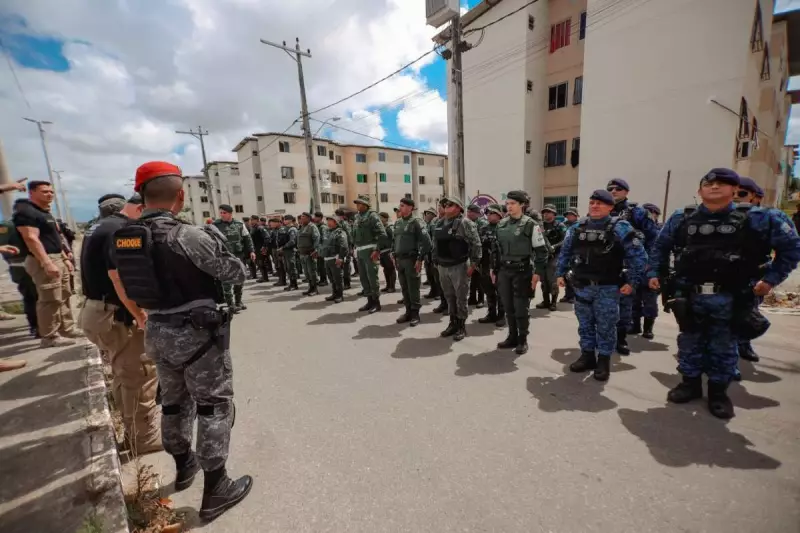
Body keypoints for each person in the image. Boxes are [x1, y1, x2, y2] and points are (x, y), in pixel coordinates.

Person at [112, 161, 252, 521]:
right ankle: (216, 487)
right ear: (180, 195)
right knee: (213, 407)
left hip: (156, 330)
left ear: (141, 196)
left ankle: (183, 464)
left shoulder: (127, 236)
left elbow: (126, 283)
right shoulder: (188, 235)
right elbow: (236, 272)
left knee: (173, 404)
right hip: (196, 335)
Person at [648, 168, 800, 418]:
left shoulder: (760, 218)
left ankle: (718, 393)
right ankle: (690, 384)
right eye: (708, 183)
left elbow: (792, 248)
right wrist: (655, 273)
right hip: (689, 295)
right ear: (700, 191)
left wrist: (770, 279)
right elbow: (660, 247)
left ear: (735, 190)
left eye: (722, 183)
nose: (714, 187)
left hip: (732, 296)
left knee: (724, 345)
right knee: (688, 341)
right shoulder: (682, 218)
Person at [79, 192, 162, 454]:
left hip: (98, 311)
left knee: (123, 373)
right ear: (140, 208)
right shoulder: (122, 230)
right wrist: (139, 314)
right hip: (116, 315)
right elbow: (117, 278)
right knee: (141, 373)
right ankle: (144, 439)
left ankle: (131, 430)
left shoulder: (100, 226)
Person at [556, 190, 647, 380]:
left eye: (600, 203)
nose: (595, 206)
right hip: (582, 286)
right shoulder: (577, 227)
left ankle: (604, 360)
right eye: (592, 203)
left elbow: (638, 257)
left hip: (608, 287)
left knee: (606, 325)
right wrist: (560, 273)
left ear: (610, 207)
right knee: (585, 324)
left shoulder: (620, 227)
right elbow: (565, 251)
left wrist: (632, 282)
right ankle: (587, 356)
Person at [13, 180, 82, 347]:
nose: (49, 194)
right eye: (44, 191)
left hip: (58, 257)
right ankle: (50, 337)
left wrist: (65, 258)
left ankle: (67, 328)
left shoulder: (45, 213)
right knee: (49, 299)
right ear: (32, 193)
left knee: (64, 295)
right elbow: (31, 238)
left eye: (51, 191)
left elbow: (56, 238)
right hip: (43, 259)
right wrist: (46, 262)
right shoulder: (26, 212)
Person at [606, 178, 659, 355]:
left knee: (626, 304)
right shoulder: (602, 210)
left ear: (626, 192)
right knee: (603, 306)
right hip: (605, 266)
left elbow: (653, 239)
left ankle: (621, 339)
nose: (613, 191)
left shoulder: (637, 212)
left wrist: (647, 264)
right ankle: (603, 339)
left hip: (628, 266)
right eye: (610, 189)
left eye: (618, 189)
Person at [493, 191, 549, 354]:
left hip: (523, 271)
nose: (509, 206)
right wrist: (494, 269)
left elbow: (541, 251)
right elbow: (496, 250)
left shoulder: (530, 224)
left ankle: (522, 339)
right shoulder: (501, 224)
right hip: (505, 270)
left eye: (513, 203)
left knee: (521, 308)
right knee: (508, 306)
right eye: (508, 203)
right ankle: (512, 336)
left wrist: (537, 273)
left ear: (522, 205)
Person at [434, 197, 481, 341]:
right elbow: (435, 244)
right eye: (445, 204)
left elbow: (476, 244)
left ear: (459, 208)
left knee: (461, 298)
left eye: (450, 204)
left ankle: (461, 326)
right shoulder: (439, 222)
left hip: (459, 266)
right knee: (449, 297)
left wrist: (473, 265)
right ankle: (452, 323)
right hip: (443, 266)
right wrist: (435, 261)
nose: (446, 206)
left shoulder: (465, 223)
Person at [1, 200, 38, 337]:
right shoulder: (8, 226)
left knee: (42, 297)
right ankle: (35, 326)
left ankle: (43, 325)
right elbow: (4, 248)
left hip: (37, 264)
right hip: (21, 266)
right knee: (31, 297)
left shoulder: (34, 222)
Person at [393, 198, 432, 326]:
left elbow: (427, 243)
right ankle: (408, 312)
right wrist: (394, 255)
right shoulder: (398, 223)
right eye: (400, 205)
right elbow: (395, 241)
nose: (400, 207)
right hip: (400, 260)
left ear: (410, 208)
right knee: (404, 287)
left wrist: (420, 258)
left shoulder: (416, 222)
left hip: (411, 260)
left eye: (403, 205)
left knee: (413, 287)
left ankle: (415, 314)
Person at [629, 202, 662, 340]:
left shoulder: (659, 231)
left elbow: (660, 252)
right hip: (635, 268)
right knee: (634, 299)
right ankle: (636, 325)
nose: (649, 215)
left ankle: (648, 328)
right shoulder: (635, 229)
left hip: (650, 270)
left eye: (652, 213)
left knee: (650, 300)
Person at [213, 205, 255, 312]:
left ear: (230, 213)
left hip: (238, 256)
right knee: (226, 281)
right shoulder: (215, 225)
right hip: (224, 257)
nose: (222, 214)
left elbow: (247, 239)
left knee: (239, 279)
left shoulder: (240, 225)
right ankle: (230, 304)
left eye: (224, 213)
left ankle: (238, 302)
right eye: (221, 212)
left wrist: (251, 251)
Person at [352, 198, 387, 313]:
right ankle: (369, 301)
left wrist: (377, 250)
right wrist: (354, 248)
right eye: (357, 204)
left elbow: (382, 234)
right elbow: (354, 233)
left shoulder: (372, 216)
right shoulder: (357, 217)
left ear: (366, 205)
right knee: (363, 277)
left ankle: (376, 303)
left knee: (372, 277)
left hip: (370, 250)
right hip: (360, 250)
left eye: (360, 203)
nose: (357, 205)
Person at [477, 205, 506, 327]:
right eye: (487, 213)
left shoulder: (505, 228)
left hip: (500, 265)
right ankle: (491, 313)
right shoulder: (483, 228)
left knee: (501, 291)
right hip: (485, 264)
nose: (488, 215)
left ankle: (501, 316)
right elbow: (478, 245)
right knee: (488, 290)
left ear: (498, 214)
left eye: (491, 213)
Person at [537, 204, 567, 311]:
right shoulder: (540, 226)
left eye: (548, 212)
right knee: (543, 279)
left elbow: (564, 240)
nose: (545, 214)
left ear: (554, 214)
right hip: (543, 256)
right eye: (544, 212)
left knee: (552, 280)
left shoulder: (560, 225)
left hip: (555, 255)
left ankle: (553, 302)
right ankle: (545, 301)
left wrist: (554, 246)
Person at [320, 216, 349, 303]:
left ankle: (340, 295)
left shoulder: (340, 232)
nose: (328, 222)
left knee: (337, 278)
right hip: (327, 258)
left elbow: (344, 246)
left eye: (330, 221)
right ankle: (334, 294)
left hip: (335, 258)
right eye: (327, 220)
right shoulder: (327, 232)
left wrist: (340, 258)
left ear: (336, 222)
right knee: (331, 278)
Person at [430, 201, 449, 314]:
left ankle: (450, 306)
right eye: (438, 207)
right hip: (437, 257)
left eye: (440, 207)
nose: (439, 209)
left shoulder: (452, 221)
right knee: (440, 283)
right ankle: (443, 303)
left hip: (449, 258)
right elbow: (434, 240)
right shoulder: (436, 221)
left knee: (449, 287)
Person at [466, 204, 487, 308]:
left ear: (477, 213)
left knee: (479, 278)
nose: (468, 214)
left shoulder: (482, 223)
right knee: (472, 277)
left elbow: (480, 240)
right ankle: (472, 297)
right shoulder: (468, 222)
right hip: (470, 254)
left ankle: (481, 299)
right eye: (468, 211)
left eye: (471, 212)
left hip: (480, 254)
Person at [559, 208, 580, 304]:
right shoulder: (564, 225)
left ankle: (574, 296)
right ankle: (568, 295)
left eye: (571, 214)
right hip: (565, 253)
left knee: (573, 275)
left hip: (575, 254)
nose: (569, 216)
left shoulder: (579, 225)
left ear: (576, 215)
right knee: (566, 275)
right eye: (567, 215)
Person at [297, 212, 321, 296]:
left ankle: (315, 289)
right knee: (306, 273)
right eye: (301, 217)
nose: (301, 218)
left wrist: (315, 250)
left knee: (312, 272)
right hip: (302, 254)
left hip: (310, 254)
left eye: (303, 217)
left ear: (308, 218)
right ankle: (310, 288)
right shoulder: (301, 227)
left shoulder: (312, 227)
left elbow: (317, 239)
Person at [422, 208, 439, 300]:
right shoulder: (426, 225)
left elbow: (434, 240)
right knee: (429, 274)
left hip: (432, 252)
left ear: (433, 215)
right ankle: (433, 291)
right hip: (427, 253)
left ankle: (438, 293)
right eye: (426, 213)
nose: (427, 215)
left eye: (429, 213)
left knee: (435, 274)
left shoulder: (434, 224)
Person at [378, 212, 397, 294]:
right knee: (385, 270)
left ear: (385, 218)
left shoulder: (389, 228)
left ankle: (392, 286)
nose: (379, 219)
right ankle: (388, 285)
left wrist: (393, 252)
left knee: (391, 269)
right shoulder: (381, 228)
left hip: (388, 251)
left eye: (381, 218)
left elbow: (394, 239)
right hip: (382, 252)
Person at [279, 215, 299, 291]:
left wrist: (283, 247)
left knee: (291, 268)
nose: (284, 221)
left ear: (290, 220)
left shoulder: (292, 229)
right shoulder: (287, 229)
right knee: (287, 268)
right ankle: (291, 284)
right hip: (286, 251)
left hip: (290, 251)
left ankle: (294, 284)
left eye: (286, 219)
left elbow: (292, 241)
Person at [249, 215, 269, 283]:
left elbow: (267, 237)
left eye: (252, 220)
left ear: (257, 220)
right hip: (256, 249)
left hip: (260, 248)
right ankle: (263, 276)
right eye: (250, 220)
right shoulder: (253, 228)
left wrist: (264, 247)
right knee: (259, 263)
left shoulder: (260, 228)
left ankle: (265, 277)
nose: (251, 221)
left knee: (261, 263)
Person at [312, 212, 329, 287]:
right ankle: (322, 279)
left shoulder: (323, 227)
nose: (314, 218)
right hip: (318, 248)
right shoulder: (317, 226)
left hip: (322, 249)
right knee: (319, 265)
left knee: (322, 266)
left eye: (315, 217)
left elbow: (324, 239)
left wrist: (321, 248)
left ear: (320, 218)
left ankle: (324, 280)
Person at [269, 217, 286, 286]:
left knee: (281, 265)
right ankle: (280, 280)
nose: (271, 225)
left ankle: (282, 281)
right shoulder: (274, 230)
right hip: (275, 249)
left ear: (278, 223)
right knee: (277, 265)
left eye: (272, 223)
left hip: (280, 250)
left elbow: (282, 241)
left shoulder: (282, 230)